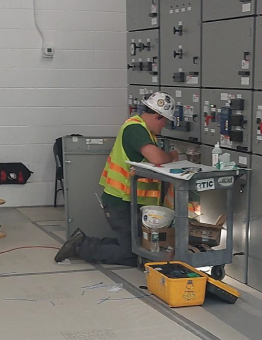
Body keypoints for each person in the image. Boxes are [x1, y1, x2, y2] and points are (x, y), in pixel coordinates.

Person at [55, 92, 179, 265]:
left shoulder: (145, 132)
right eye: (165, 121)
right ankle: (80, 247)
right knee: (133, 253)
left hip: (129, 203)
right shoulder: (135, 128)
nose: (164, 126)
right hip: (119, 203)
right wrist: (172, 156)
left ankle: (82, 242)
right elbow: (157, 158)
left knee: (138, 246)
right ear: (158, 116)